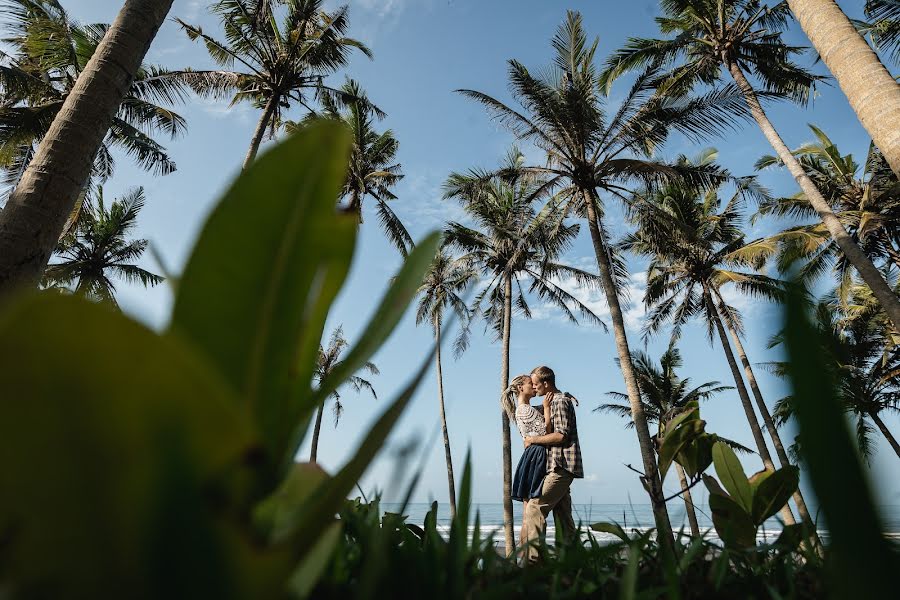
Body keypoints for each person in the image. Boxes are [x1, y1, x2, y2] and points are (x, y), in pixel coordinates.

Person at [521, 365, 583, 561]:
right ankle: (574, 563)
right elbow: (527, 411)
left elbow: (561, 436)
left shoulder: (560, 402)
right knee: (564, 517)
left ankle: (535, 564)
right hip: (553, 466)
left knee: (534, 507)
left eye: (536, 384)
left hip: (561, 466)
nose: (533, 387)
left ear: (546, 384)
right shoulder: (551, 401)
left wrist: (532, 440)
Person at [502, 374, 552, 547]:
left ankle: (524, 559)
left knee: (526, 515)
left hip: (531, 456)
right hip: (536, 455)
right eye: (531, 383)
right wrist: (546, 408)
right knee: (529, 515)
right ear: (521, 388)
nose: (534, 386)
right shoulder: (525, 410)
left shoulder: (525, 408)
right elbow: (546, 433)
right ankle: (528, 558)